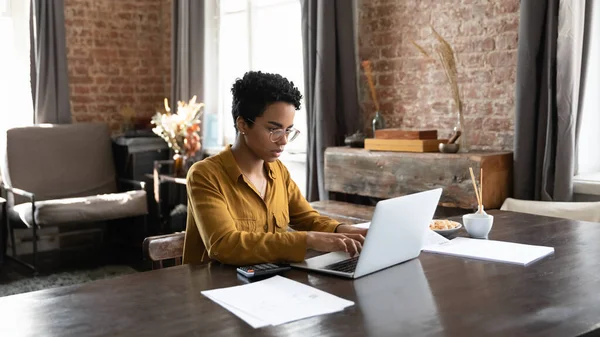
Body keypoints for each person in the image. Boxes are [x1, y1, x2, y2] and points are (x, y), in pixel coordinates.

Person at [182, 71, 367, 266]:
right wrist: (309, 240)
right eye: (274, 130)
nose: (284, 140)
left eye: (288, 130)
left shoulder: (278, 171)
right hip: (214, 289)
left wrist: (348, 230)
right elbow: (225, 245)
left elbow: (308, 219)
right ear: (243, 124)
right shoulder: (204, 175)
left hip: (269, 282)